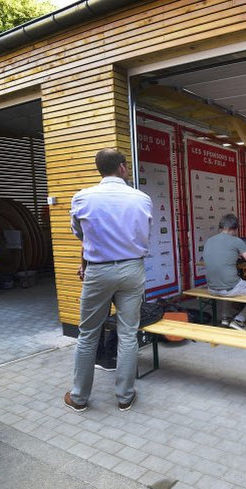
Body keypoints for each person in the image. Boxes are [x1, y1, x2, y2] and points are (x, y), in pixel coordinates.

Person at [64, 148, 152, 413]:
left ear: (99, 169)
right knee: (128, 333)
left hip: (98, 270)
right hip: (132, 269)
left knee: (88, 334)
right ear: (123, 168)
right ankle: (125, 396)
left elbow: (80, 233)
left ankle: (79, 398)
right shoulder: (142, 198)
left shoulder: (82, 197)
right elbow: (144, 233)